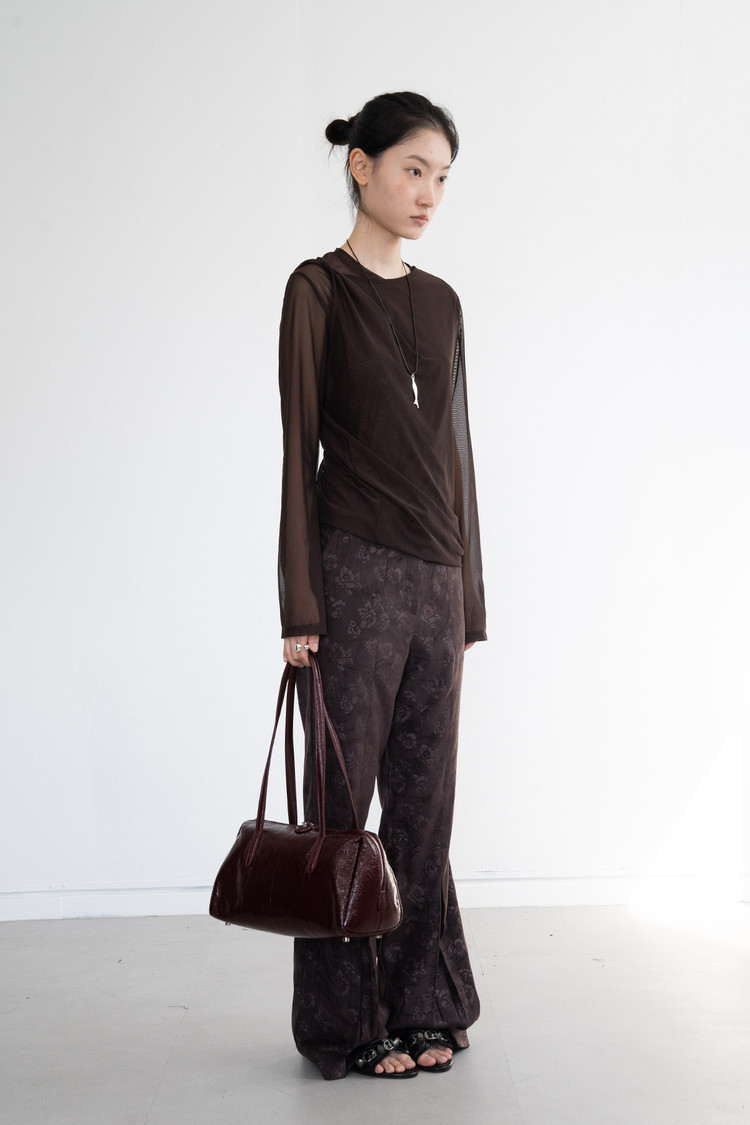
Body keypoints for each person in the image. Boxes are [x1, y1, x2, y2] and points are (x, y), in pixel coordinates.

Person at [276, 91, 487, 1080]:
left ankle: (426, 1001)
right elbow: (296, 453)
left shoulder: (443, 302)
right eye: (413, 169)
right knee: (339, 807)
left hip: (437, 579)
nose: (429, 192)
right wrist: (299, 603)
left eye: (441, 176)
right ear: (361, 167)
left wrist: (470, 593)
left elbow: (457, 453)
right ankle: (346, 1020)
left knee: (424, 808)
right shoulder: (317, 289)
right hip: (354, 572)